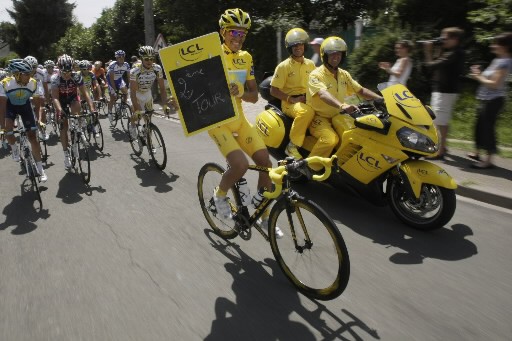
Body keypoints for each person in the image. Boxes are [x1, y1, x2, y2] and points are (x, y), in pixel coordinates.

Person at [210, 8, 282, 238]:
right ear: (223, 32)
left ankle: (262, 215)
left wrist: (241, 92)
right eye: (233, 32)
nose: (238, 38)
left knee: (266, 163)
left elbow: (254, 95)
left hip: (239, 120)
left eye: (242, 34)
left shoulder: (246, 57)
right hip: (217, 122)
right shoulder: (210, 54)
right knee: (240, 165)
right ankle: (218, 196)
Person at [307, 36, 383, 171]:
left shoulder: (344, 74)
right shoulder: (315, 75)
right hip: (318, 116)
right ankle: (310, 168)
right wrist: (342, 105)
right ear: (325, 55)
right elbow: (323, 94)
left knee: (356, 136)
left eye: (339, 53)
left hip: (338, 115)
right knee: (330, 139)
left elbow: (361, 90)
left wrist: (382, 99)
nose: (336, 56)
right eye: (332, 54)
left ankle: (345, 167)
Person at [467, 32, 512, 169]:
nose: (492, 46)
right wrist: (479, 73)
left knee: (487, 129)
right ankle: (477, 152)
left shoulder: (505, 62)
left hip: (494, 100)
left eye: (496, 43)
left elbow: (494, 84)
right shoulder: (497, 60)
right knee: (479, 126)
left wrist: (477, 76)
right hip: (486, 99)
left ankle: (488, 160)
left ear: (504, 46)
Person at [269, 28, 316, 159]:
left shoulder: (311, 64)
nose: (297, 48)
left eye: (300, 44)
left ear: (304, 46)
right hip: (290, 103)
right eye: (294, 45)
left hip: (308, 100)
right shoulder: (283, 66)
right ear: (289, 48)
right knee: (305, 112)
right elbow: (273, 90)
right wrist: (291, 99)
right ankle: (292, 146)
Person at [0, 59, 47, 182]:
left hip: (25, 107)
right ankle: (14, 149)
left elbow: (38, 106)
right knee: (8, 129)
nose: (29, 76)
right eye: (26, 74)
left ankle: (40, 169)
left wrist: (40, 120)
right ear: (17, 74)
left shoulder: (33, 83)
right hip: (10, 107)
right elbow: (2, 108)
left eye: (30, 73)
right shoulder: (5, 84)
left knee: (33, 138)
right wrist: (2, 128)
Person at [422, 27, 465, 160]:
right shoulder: (451, 52)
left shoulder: (455, 53)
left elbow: (431, 65)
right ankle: (442, 146)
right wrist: (437, 47)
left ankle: (439, 151)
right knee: (441, 120)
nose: (442, 41)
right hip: (442, 90)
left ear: (455, 39)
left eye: (445, 38)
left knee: (439, 121)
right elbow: (436, 61)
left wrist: (428, 50)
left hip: (445, 91)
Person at [51, 54, 96, 169]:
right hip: (60, 100)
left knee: (77, 109)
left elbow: (85, 93)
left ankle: (79, 130)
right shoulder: (55, 78)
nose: (66, 74)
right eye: (64, 72)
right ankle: (66, 154)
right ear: (59, 69)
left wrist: (92, 107)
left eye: (69, 71)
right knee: (64, 127)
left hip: (72, 98)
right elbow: (55, 98)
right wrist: (60, 110)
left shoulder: (76, 76)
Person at [128, 46, 168, 138]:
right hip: (136, 94)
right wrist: (137, 109)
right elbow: (133, 92)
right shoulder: (135, 71)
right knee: (136, 115)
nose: (149, 61)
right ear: (141, 59)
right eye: (146, 59)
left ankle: (149, 141)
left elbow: (162, 88)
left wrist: (165, 104)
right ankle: (132, 125)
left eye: (151, 58)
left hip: (147, 93)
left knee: (148, 119)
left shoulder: (157, 69)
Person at [106, 50, 131, 122]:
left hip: (119, 79)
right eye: (119, 57)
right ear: (116, 58)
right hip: (111, 80)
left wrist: (130, 86)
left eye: (122, 57)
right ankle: (110, 112)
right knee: (113, 97)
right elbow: (111, 79)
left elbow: (129, 77)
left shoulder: (126, 64)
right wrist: (115, 90)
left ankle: (123, 107)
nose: (121, 59)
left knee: (125, 92)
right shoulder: (113, 65)